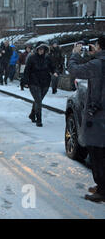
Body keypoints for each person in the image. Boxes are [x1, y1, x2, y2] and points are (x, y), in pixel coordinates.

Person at [68, 36, 105, 203]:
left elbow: (75, 70)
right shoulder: (98, 63)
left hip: (98, 115)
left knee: (96, 153)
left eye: (96, 45)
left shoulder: (98, 65)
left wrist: (75, 54)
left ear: (100, 46)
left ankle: (102, 190)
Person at [23, 42, 56, 127]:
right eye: (40, 49)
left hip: (45, 82)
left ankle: (32, 114)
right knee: (38, 100)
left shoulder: (47, 58)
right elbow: (27, 70)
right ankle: (39, 119)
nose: (41, 51)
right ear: (37, 49)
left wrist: (55, 72)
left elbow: (52, 67)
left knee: (39, 100)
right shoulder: (31, 58)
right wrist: (25, 82)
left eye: (43, 49)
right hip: (33, 82)